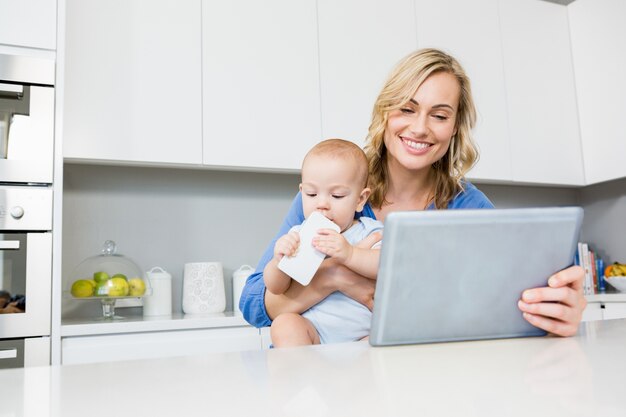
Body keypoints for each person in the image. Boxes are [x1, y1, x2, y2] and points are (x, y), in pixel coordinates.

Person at [240, 48, 586, 339]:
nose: (420, 127)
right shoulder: (333, 193)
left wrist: (556, 308)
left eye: (439, 115)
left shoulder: (466, 205)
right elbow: (255, 304)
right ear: (385, 112)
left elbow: (504, 297)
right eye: (407, 108)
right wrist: (336, 278)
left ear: (454, 128)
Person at [265, 139, 384, 347]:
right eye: (311, 194)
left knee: (387, 341)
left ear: (360, 200)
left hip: (363, 336)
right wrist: (278, 262)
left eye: (337, 195)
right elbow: (276, 288)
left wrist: (350, 254)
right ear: (301, 192)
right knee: (284, 324)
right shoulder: (299, 235)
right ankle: (300, 376)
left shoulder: (368, 230)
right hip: (314, 333)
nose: (322, 204)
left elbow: (387, 265)